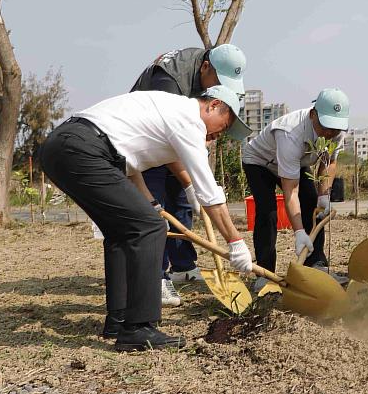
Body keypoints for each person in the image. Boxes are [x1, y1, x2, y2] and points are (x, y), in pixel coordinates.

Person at [39, 85, 253, 351]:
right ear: (213, 105)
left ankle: (119, 321)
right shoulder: (188, 119)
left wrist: (150, 203)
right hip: (84, 150)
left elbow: (127, 162)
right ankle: (139, 328)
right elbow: (209, 193)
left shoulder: (165, 109)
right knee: (150, 228)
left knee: (122, 232)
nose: (220, 132)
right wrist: (235, 242)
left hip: (63, 148)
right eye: (225, 123)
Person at [130, 44, 247, 307]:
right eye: (219, 82)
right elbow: (168, 141)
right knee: (156, 210)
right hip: (145, 142)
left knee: (181, 202)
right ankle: (157, 277)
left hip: (171, 139)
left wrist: (190, 183)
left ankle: (183, 265)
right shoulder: (168, 81)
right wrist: (191, 183)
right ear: (205, 67)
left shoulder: (204, 77)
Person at [242, 88, 349, 292]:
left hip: (296, 162)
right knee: (268, 211)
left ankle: (316, 264)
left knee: (312, 203)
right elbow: (290, 191)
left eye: (335, 129)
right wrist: (299, 232)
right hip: (260, 162)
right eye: (326, 127)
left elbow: (329, 161)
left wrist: (324, 194)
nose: (330, 133)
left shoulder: (336, 131)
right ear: (312, 115)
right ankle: (265, 274)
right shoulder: (290, 133)